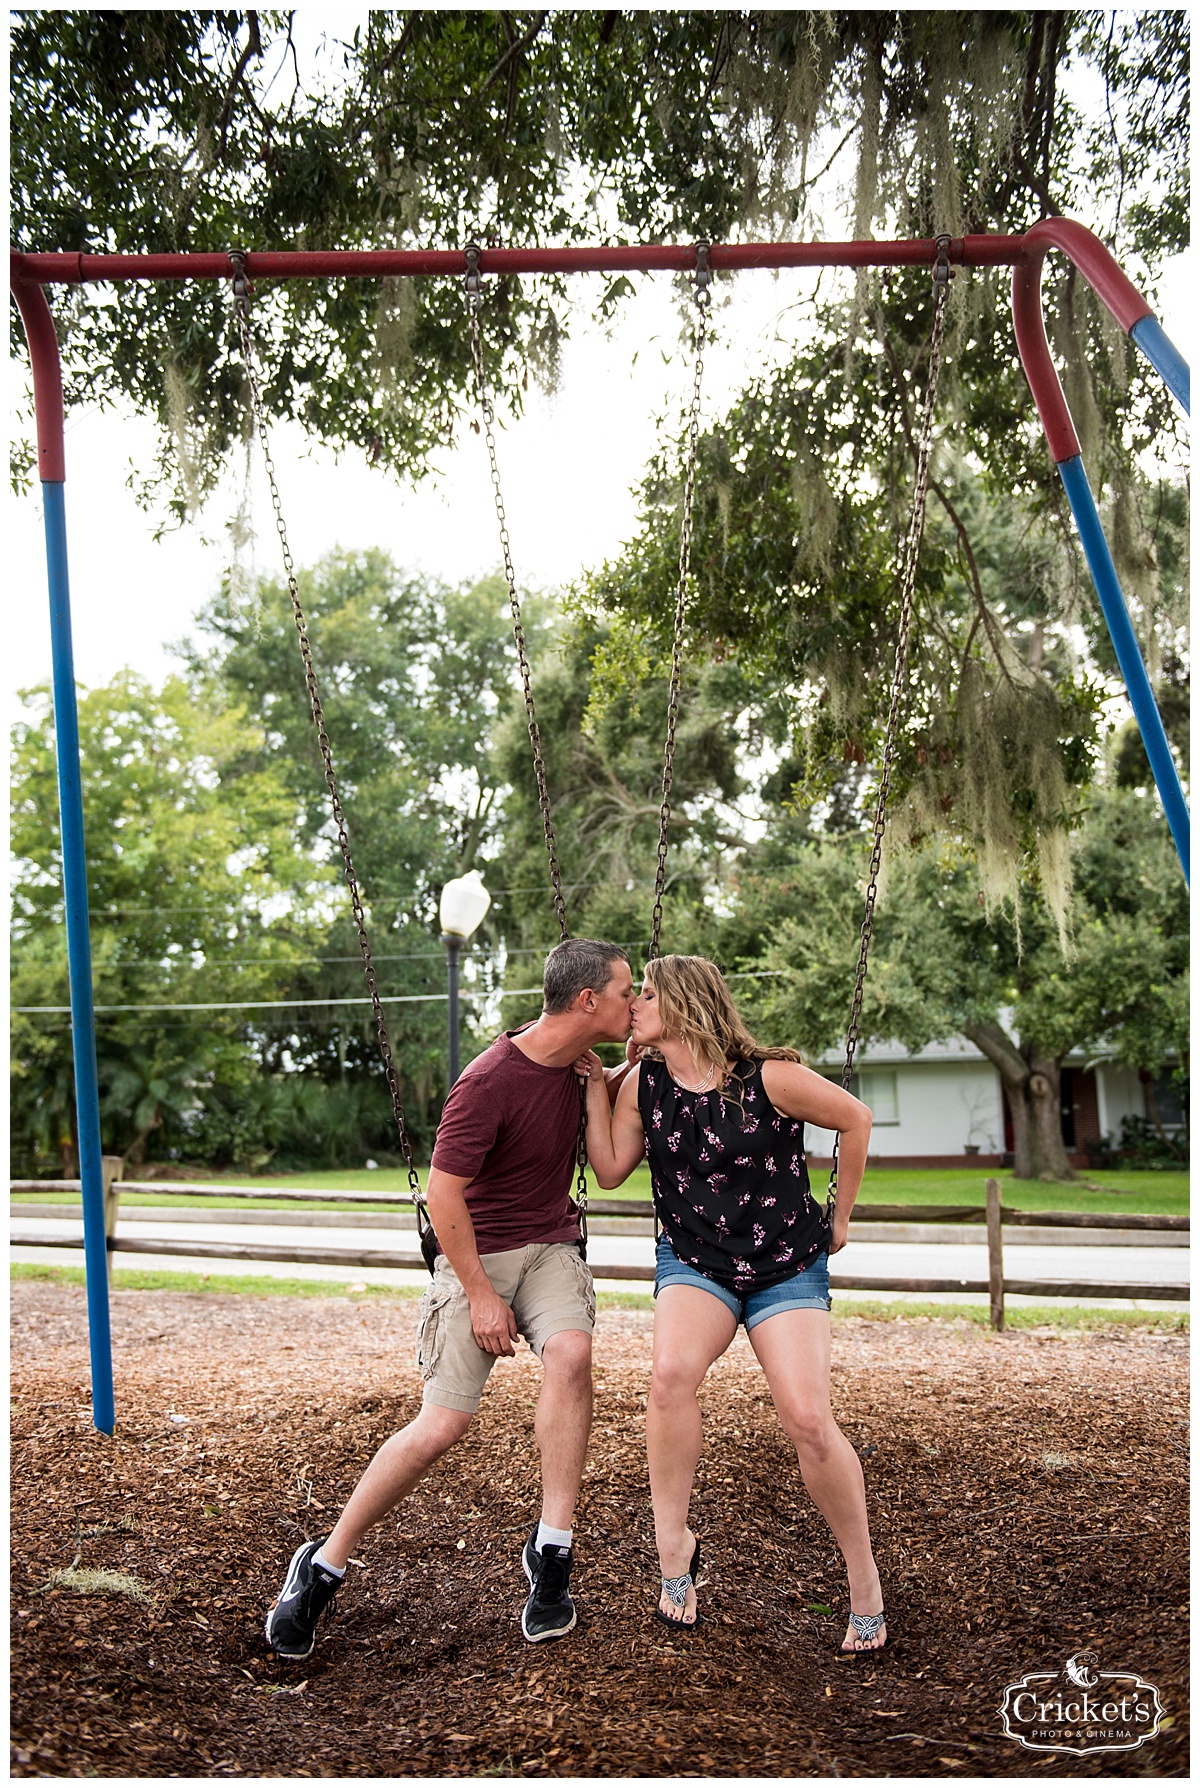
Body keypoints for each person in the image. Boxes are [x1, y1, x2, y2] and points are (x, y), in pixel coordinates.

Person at [265, 937, 636, 1660]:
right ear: (588, 1000)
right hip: (478, 1255)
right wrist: (479, 1296)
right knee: (440, 1428)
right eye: (628, 991)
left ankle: (552, 1554)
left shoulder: (583, 1069)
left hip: (551, 1248)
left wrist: (631, 1066)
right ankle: (324, 1563)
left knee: (572, 1352)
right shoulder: (489, 1080)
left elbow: (634, 1086)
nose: (635, 1001)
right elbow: (442, 1195)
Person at [578, 953, 887, 1654]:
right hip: (695, 1259)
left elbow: (857, 1118)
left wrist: (839, 1218)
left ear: (684, 1003)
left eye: (647, 993)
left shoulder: (769, 1078)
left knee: (808, 1418)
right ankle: (673, 1550)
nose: (635, 1002)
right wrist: (601, 1086)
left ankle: (862, 1577)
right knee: (668, 1379)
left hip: (785, 1263)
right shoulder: (644, 1085)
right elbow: (609, 1170)